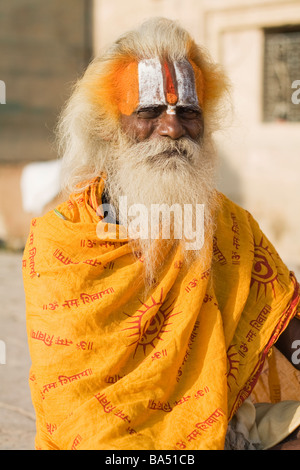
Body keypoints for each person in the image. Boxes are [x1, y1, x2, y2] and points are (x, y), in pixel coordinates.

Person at [23, 17, 300, 451]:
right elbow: (68, 404)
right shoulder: (60, 241)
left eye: (188, 112)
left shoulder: (228, 224)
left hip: (220, 422)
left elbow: (284, 321)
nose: (172, 130)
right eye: (149, 112)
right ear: (107, 127)